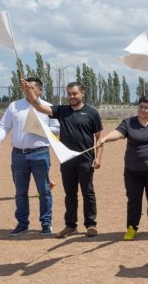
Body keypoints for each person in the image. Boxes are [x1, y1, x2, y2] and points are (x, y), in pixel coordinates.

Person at [22, 80, 104, 238]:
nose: (71, 96)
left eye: (74, 93)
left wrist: (98, 158)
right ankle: (70, 225)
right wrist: (28, 90)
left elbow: (99, 138)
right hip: (66, 160)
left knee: (88, 192)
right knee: (70, 194)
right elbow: (38, 105)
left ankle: (91, 225)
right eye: (69, 94)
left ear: (82, 93)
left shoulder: (92, 113)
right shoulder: (62, 110)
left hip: (86, 160)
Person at [97, 96, 148, 240]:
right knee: (134, 199)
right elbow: (118, 133)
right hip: (133, 170)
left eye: (146, 107)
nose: (143, 109)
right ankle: (131, 227)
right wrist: (104, 139)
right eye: (141, 106)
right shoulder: (128, 123)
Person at [0, 77, 59, 236]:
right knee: (20, 192)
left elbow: (57, 129)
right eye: (26, 87)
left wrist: (42, 129)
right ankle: (22, 223)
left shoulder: (47, 107)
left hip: (40, 154)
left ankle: (46, 223)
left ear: (40, 90)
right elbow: (4, 126)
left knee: (44, 191)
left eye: (32, 87)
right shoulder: (14, 106)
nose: (28, 89)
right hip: (18, 155)